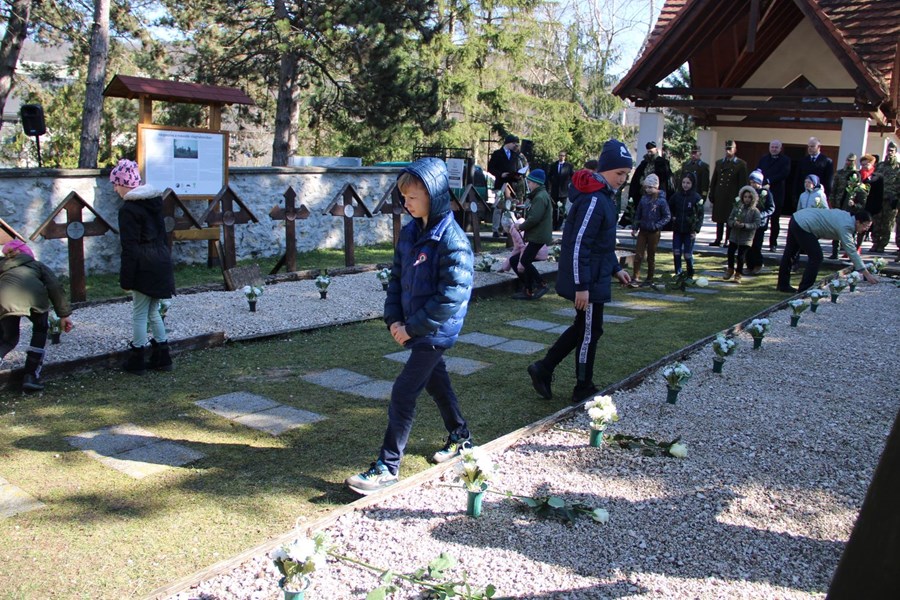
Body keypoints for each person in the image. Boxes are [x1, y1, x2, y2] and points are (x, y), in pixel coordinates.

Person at [345, 157, 474, 495]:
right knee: (437, 383)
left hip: (435, 331)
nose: (406, 203)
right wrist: (393, 319)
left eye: (413, 197)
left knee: (404, 391)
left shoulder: (453, 240)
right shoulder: (410, 232)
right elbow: (397, 280)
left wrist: (412, 328)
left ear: (434, 195)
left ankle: (387, 467)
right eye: (404, 197)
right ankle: (460, 436)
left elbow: (451, 297)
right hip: (415, 327)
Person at [526, 139, 632, 405]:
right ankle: (583, 386)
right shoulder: (595, 200)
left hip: (595, 275)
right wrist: (582, 286)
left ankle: (544, 368)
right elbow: (579, 245)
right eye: (619, 173)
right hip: (588, 280)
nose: (622, 179)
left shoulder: (605, 197)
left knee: (585, 328)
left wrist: (616, 268)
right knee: (589, 333)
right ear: (604, 169)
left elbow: (602, 243)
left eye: (626, 174)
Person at [110, 159, 176, 375]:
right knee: (153, 311)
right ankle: (163, 356)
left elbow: (129, 247)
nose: (115, 189)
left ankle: (137, 358)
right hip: (161, 262)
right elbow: (162, 237)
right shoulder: (154, 204)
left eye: (116, 183)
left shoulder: (128, 210)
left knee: (139, 313)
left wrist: (126, 279)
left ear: (125, 184)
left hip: (144, 264)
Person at [0, 240, 74, 392]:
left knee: (8, 339)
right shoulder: (37, 265)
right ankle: (30, 376)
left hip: (4, 300)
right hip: (35, 299)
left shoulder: (2, 266)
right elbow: (54, 287)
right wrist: (64, 315)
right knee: (40, 330)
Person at [777, 208, 878, 293]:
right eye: (866, 226)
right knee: (816, 257)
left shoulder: (848, 217)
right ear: (858, 222)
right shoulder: (846, 226)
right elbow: (851, 251)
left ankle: (783, 285)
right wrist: (866, 274)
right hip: (804, 224)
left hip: (797, 217)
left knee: (790, 253)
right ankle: (805, 289)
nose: (866, 229)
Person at [511, 169, 553, 300]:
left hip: (538, 236)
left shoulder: (540, 197)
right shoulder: (540, 195)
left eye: (529, 182)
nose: (528, 184)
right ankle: (528, 289)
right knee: (517, 260)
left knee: (524, 260)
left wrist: (521, 226)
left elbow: (534, 218)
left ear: (536, 183)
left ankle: (541, 284)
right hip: (538, 234)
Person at [629, 173, 670, 286]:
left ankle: (649, 278)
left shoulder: (661, 201)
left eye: (650, 187)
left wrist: (657, 225)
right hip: (643, 230)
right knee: (638, 254)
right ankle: (635, 276)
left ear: (656, 187)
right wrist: (635, 227)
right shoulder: (643, 199)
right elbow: (638, 214)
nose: (648, 190)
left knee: (651, 256)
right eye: (646, 187)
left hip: (654, 232)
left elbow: (667, 216)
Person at [708, 140, 749, 246]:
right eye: (726, 149)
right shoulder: (719, 163)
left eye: (730, 149)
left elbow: (743, 183)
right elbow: (714, 180)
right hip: (720, 195)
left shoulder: (741, 164)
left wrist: (741, 197)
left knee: (730, 218)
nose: (728, 151)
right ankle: (718, 239)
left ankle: (728, 240)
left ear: (735, 150)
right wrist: (712, 193)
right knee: (719, 218)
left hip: (732, 196)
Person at [756, 139, 792, 251]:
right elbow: (758, 171)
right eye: (772, 147)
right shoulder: (763, 159)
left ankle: (773, 243)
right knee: (762, 217)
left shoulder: (785, 160)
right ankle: (758, 242)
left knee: (775, 220)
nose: (774, 149)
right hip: (763, 193)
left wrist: (769, 180)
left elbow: (784, 173)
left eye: (776, 147)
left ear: (780, 148)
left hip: (777, 193)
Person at [667, 172, 703, 278]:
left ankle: (690, 274)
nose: (685, 185)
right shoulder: (676, 196)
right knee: (676, 252)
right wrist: (672, 217)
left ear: (692, 184)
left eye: (688, 183)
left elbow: (700, 215)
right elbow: (668, 207)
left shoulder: (696, 197)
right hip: (677, 229)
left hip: (689, 231)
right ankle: (678, 273)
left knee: (687, 254)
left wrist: (696, 229)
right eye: (683, 182)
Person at [724, 186, 761, 284]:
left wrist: (745, 225)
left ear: (753, 198)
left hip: (746, 237)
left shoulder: (755, 211)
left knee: (741, 256)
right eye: (745, 197)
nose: (747, 199)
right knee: (730, 253)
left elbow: (757, 224)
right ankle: (730, 269)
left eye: (749, 197)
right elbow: (730, 219)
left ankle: (738, 274)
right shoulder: (737, 208)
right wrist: (734, 223)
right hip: (734, 235)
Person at [488, 134, 521, 238]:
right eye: (513, 143)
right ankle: (495, 229)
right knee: (499, 207)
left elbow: (517, 168)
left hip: (511, 185)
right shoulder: (497, 154)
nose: (515, 146)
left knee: (509, 208)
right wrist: (500, 174)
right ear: (508, 143)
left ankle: (507, 229)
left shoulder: (515, 155)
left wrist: (517, 175)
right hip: (500, 184)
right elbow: (491, 168)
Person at [744, 170, 775, 275]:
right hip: (749, 223)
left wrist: (760, 215)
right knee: (748, 245)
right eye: (751, 182)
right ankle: (749, 265)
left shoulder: (766, 193)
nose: (752, 184)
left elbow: (771, 208)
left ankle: (758, 264)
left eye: (754, 182)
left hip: (760, 224)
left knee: (756, 245)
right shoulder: (748, 192)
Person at [871, 142, 899, 253]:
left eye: (892, 150)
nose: (890, 152)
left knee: (887, 223)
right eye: (888, 150)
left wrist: (895, 197)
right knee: (876, 222)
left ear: (895, 152)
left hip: (891, 201)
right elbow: (874, 180)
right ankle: (875, 243)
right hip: (879, 199)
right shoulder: (880, 166)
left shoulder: (898, 168)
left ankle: (882, 245)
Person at [793, 137, 834, 211]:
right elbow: (797, 178)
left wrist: (826, 195)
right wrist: (795, 194)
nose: (809, 148)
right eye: (808, 146)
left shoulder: (827, 161)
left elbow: (829, 181)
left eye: (812, 146)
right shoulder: (802, 161)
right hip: (804, 194)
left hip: (818, 196)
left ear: (819, 147)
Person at [628, 141, 674, 207]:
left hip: (656, 194)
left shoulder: (662, 163)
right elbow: (636, 178)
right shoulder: (644, 163)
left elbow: (666, 181)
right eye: (648, 152)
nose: (649, 154)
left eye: (651, 152)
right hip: (643, 194)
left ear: (656, 150)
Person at [547, 151, 573, 229]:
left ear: (565, 157)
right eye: (560, 155)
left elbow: (572, 176)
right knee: (555, 209)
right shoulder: (554, 165)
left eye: (563, 156)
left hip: (563, 191)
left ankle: (559, 225)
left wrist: (568, 183)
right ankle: (554, 224)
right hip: (555, 191)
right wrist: (552, 183)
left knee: (561, 208)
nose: (561, 157)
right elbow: (549, 176)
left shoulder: (568, 166)